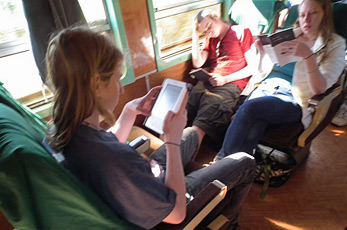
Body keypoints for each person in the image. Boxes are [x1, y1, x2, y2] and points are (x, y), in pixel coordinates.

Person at [44, 26, 255, 229]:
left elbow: (104, 148)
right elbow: (177, 214)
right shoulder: (114, 160)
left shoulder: (62, 130)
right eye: (118, 79)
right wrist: (171, 142)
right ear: (96, 84)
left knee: (190, 134)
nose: (120, 88)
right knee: (245, 161)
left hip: (140, 184)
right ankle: (230, 218)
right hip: (165, 206)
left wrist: (130, 111)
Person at [215, 0, 346, 160]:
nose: (306, 19)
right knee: (255, 124)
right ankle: (238, 169)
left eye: (313, 13)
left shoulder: (335, 44)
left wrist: (308, 56)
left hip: (294, 99)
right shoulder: (290, 35)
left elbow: (320, 89)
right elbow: (261, 70)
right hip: (266, 88)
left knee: (250, 109)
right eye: (303, 14)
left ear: (324, 14)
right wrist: (263, 52)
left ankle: (221, 163)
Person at [187, 9, 257, 147]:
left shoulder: (241, 32)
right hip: (209, 81)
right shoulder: (211, 39)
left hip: (230, 83)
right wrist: (195, 35)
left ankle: (182, 161)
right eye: (205, 32)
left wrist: (224, 79)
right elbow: (198, 62)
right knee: (182, 112)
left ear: (215, 17)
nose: (208, 32)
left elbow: (253, 67)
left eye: (208, 27)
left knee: (202, 122)